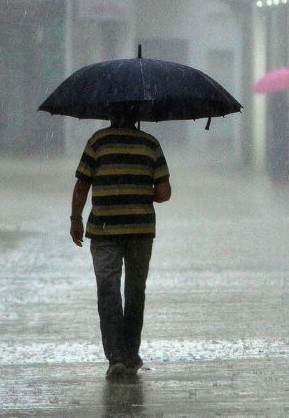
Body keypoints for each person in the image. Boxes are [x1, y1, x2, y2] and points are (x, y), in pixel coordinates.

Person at [70, 113, 172, 380]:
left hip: (104, 231)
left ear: (111, 114)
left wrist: (75, 219)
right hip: (140, 230)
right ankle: (130, 354)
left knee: (108, 291)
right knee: (135, 292)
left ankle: (115, 357)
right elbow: (164, 193)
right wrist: (137, 190)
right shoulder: (151, 144)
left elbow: (82, 184)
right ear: (138, 114)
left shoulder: (97, 142)